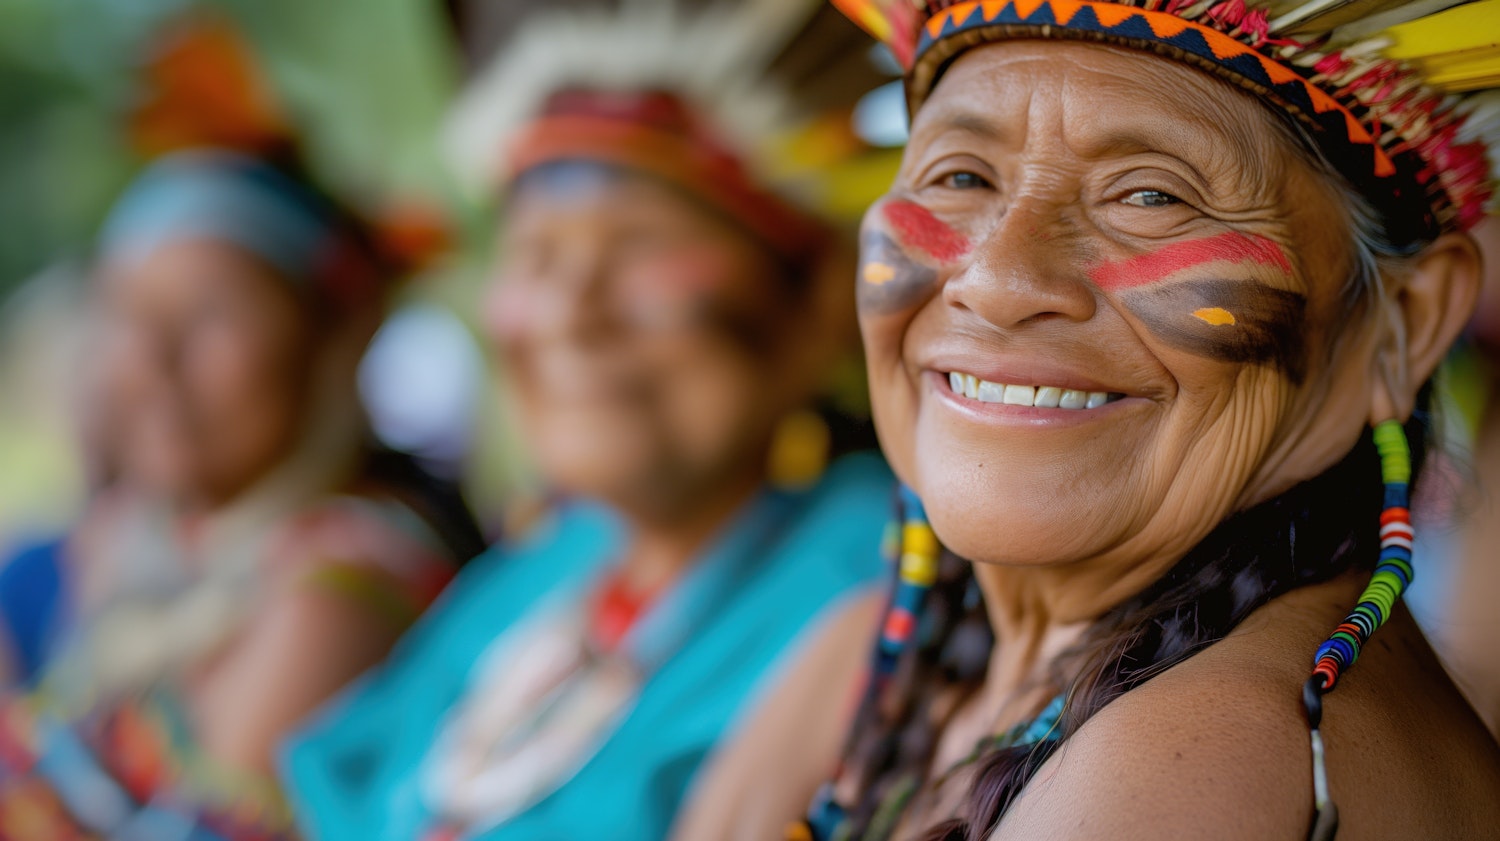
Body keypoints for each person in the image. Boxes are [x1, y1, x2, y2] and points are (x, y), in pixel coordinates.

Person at [676, 1, 1500, 839]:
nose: (996, 279)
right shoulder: (865, 660)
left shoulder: (1194, 768)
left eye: (1150, 194)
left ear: (1406, 321)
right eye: (961, 176)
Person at [280, 3, 895, 840]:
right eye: (533, 254)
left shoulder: (884, 577)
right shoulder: (542, 571)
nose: (569, 312)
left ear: (818, 297)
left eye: (638, 246)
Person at [0, 148, 484, 841]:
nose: (155, 359)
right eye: (125, 315)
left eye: (209, 315)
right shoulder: (124, 544)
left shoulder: (345, 583)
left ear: (334, 336)